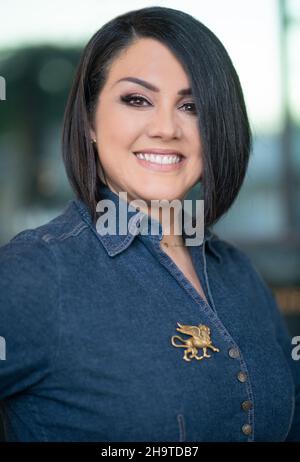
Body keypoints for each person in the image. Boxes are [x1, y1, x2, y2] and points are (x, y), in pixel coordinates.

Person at [0, 6, 299, 442]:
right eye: (137, 100)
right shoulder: (35, 273)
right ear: (89, 122)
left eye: (191, 105)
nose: (165, 128)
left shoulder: (239, 273)